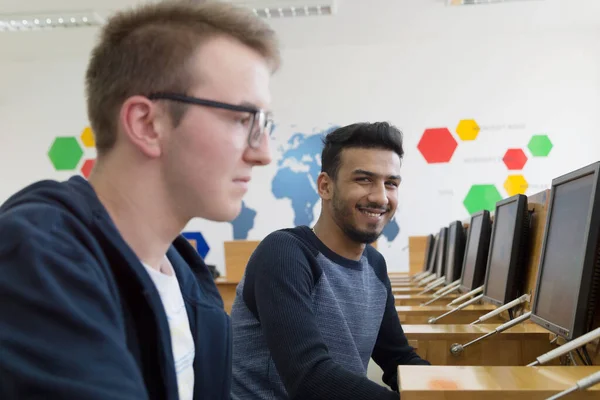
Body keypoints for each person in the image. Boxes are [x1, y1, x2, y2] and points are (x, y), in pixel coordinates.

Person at [0, 1, 280, 399]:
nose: (263, 152)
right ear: (147, 124)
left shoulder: (187, 278)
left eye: (264, 124)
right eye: (242, 119)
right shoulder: (36, 256)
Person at [230, 122, 430, 400]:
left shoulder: (374, 264)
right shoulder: (284, 254)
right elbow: (309, 377)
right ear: (325, 186)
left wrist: (446, 390)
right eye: (364, 180)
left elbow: (397, 357)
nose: (380, 197)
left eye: (391, 183)